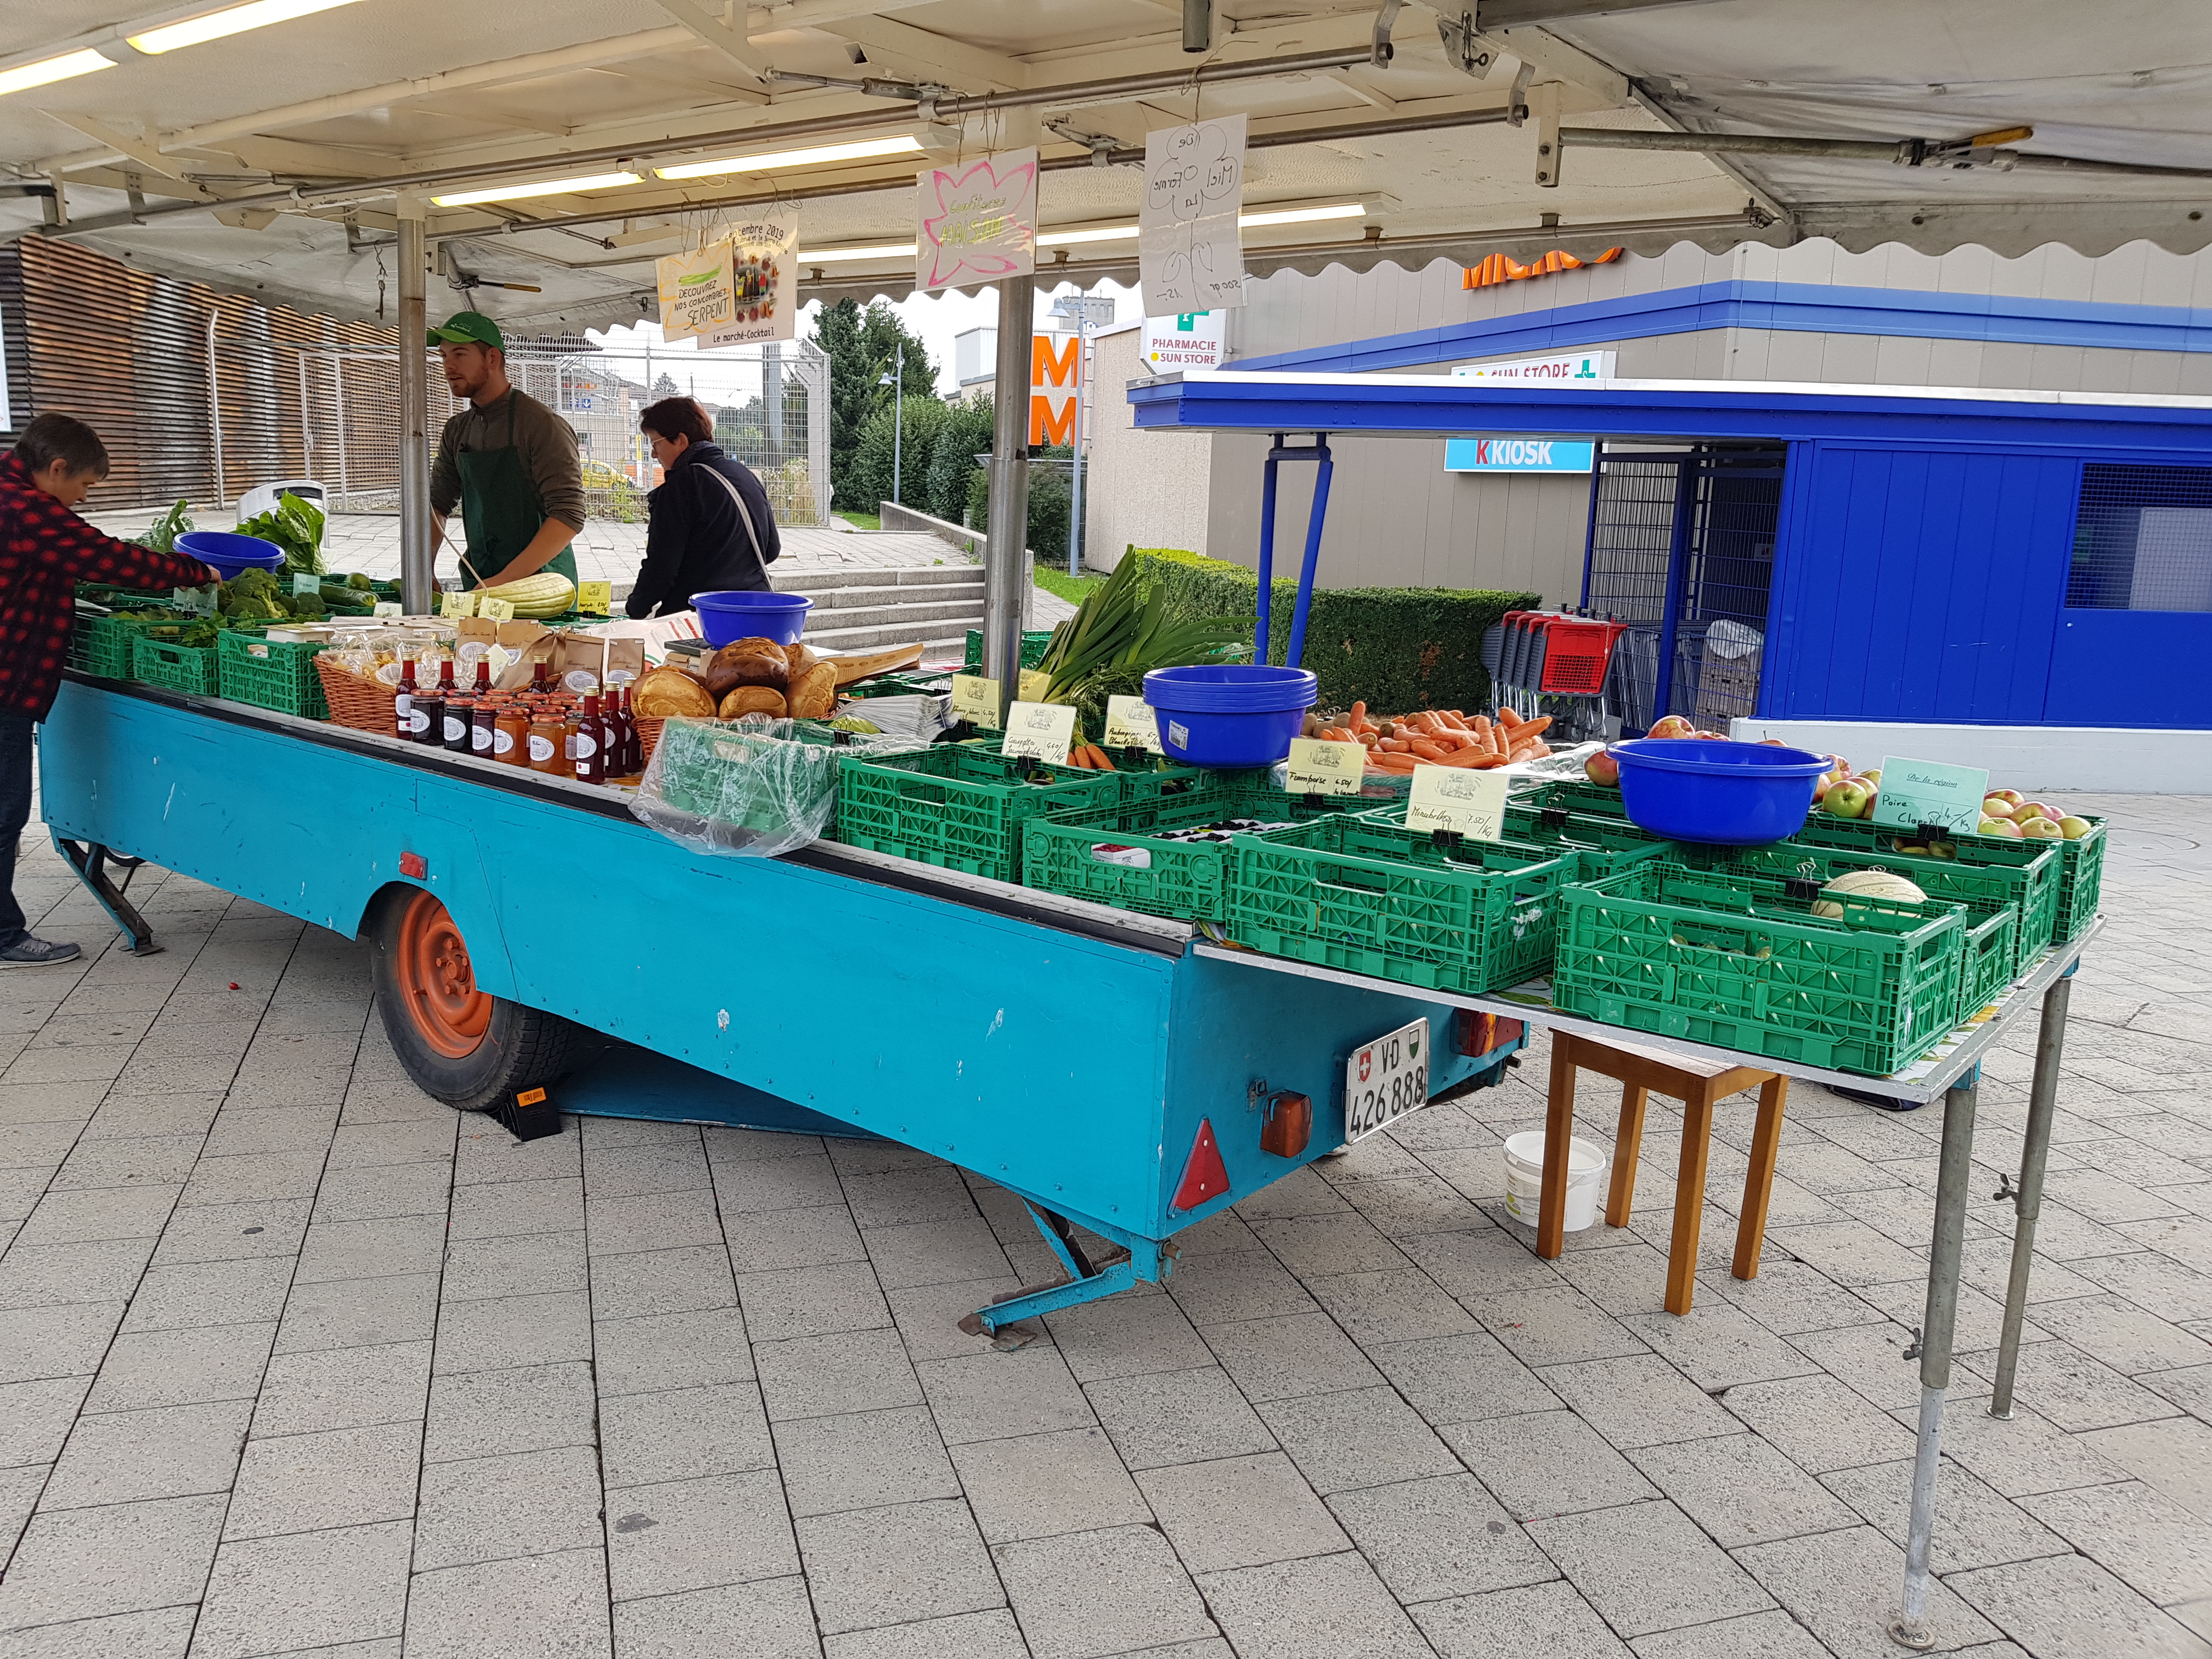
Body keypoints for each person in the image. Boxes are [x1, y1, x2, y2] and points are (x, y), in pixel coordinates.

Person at [0, 413, 219, 967]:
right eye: (84, 486)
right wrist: (197, 573)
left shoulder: (10, 484)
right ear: (55, 469)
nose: (82, 498)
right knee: (4, 811)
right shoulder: (28, 511)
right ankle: (3, 935)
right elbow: (104, 557)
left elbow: (79, 552)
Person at [426, 311, 587, 592]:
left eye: (460, 354)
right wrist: (424, 568)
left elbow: (568, 515)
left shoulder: (541, 425)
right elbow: (436, 503)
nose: (449, 366)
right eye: (444, 356)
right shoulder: (457, 430)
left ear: (492, 358)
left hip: (541, 587)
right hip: (481, 580)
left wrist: (503, 582)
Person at [626, 396, 781, 619]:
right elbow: (771, 550)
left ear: (680, 440)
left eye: (655, 443)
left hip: (699, 616)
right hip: (753, 609)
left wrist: (636, 610)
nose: (654, 453)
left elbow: (662, 566)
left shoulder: (682, 485)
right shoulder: (743, 475)